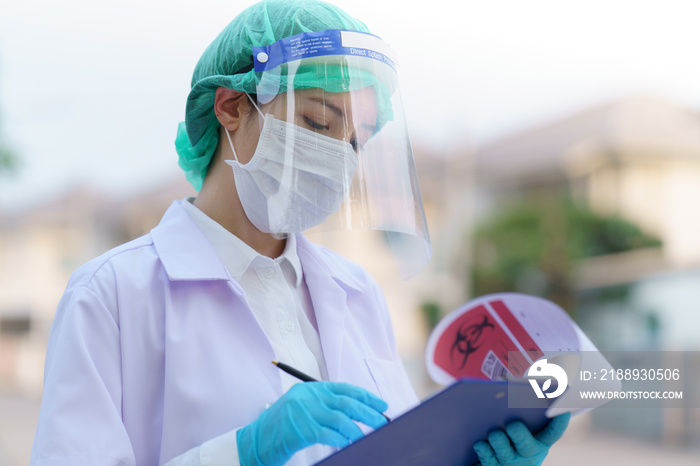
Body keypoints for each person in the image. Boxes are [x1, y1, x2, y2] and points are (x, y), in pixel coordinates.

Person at [31, 1, 568, 465]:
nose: (340, 155)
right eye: (319, 123)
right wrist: (246, 451)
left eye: (356, 140)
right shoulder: (112, 294)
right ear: (232, 106)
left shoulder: (358, 294)